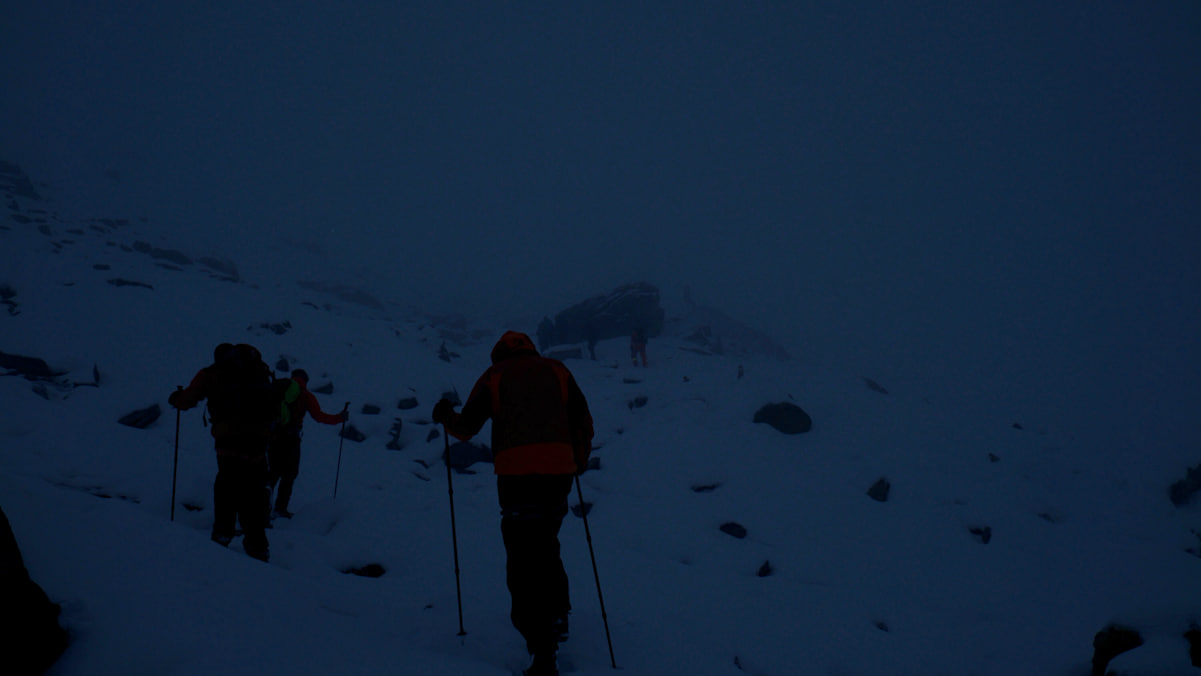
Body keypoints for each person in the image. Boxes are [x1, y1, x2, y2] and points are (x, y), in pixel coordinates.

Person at [432, 331, 594, 676]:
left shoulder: (496, 375)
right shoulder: (558, 369)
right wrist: (576, 461)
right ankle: (558, 615)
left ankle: (542, 647)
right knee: (547, 543)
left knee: (523, 558)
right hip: (558, 473)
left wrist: (445, 415)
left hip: (518, 477)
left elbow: (465, 428)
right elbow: (582, 419)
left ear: (499, 354)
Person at [168, 343, 276, 562]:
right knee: (253, 495)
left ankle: (221, 539)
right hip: (257, 446)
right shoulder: (258, 372)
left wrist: (176, 399)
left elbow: (188, 399)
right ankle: (258, 548)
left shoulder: (212, 374)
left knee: (227, 490)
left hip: (228, 446)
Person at [267, 368, 348, 519]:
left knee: (272, 473)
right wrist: (340, 418)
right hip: (291, 440)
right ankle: (280, 509)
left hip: (274, 438)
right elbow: (319, 417)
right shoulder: (306, 396)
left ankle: (260, 507)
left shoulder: (278, 391)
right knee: (289, 474)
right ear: (305, 381)